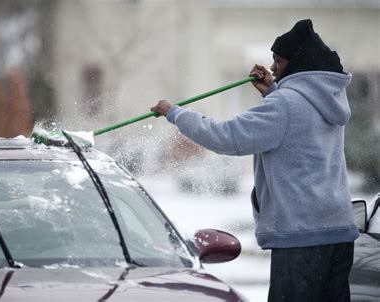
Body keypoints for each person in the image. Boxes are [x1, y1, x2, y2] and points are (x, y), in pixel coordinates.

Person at [151, 19, 359, 301]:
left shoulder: (285, 105)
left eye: (279, 60)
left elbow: (227, 137)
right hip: (339, 235)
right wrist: (273, 92)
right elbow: (298, 131)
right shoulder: (328, 101)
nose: (273, 68)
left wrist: (175, 113)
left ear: (297, 62)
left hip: (301, 238)